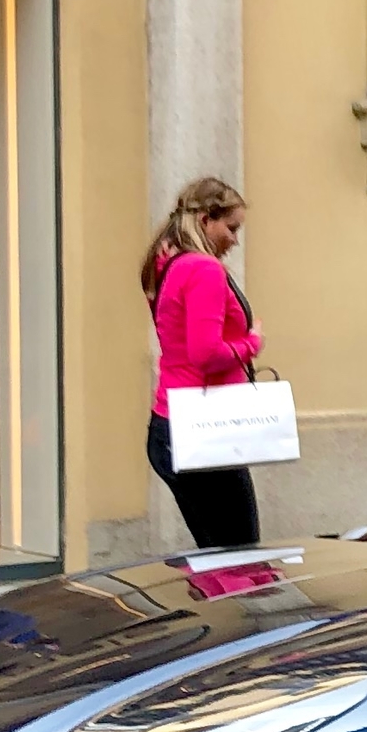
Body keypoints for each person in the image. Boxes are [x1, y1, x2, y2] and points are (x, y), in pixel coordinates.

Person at [142, 177, 262, 551]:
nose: (235, 240)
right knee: (239, 557)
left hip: (172, 424)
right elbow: (206, 354)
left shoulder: (167, 264)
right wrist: (251, 343)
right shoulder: (204, 270)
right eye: (232, 228)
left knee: (218, 554)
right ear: (207, 220)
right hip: (205, 429)